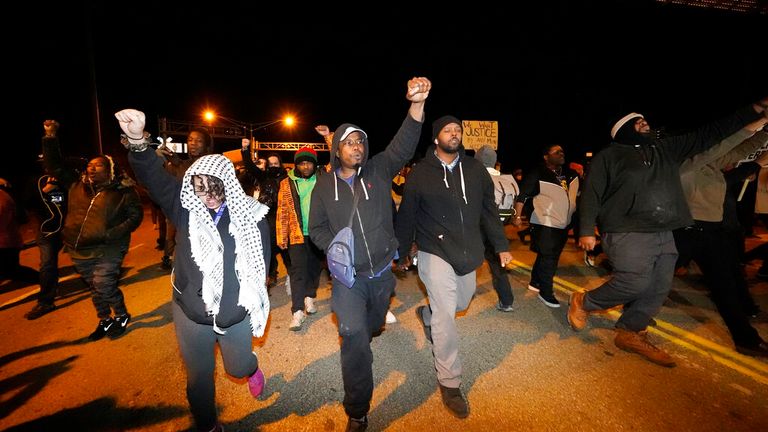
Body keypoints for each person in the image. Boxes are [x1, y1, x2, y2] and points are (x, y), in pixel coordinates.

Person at [572, 100, 768, 367]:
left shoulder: (665, 150)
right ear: (623, 129)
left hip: (664, 230)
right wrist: (586, 230)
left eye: (645, 120)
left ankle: (630, 331)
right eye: (638, 122)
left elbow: (711, 135)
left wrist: (755, 110)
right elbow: (592, 194)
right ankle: (585, 301)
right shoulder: (610, 156)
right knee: (635, 283)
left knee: (658, 287)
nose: (645, 124)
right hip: (626, 230)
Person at [116, 108, 271, 432]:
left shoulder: (252, 217)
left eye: (214, 186)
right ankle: (207, 424)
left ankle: (251, 369)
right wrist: (136, 141)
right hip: (191, 312)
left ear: (228, 183)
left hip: (233, 315)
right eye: (199, 187)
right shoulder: (184, 209)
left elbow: (259, 272)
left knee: (237, 366)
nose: (208, 195)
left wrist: (242, 306)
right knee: (199, 378)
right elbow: (154, 177)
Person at [308, 77, 431, 432]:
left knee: (372, 324)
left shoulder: (378, 169)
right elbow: (315, 227)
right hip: (348, 279)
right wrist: (334, 247)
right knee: (353, 335)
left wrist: (417, 104)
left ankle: (373, 324)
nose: (357, 146)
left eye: (360, 140)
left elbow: (404, 144)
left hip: (381, 273)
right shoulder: (323, 185)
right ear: (336, 149)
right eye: (349, 142)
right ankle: (357, 409)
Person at [395, 115, 512, 419]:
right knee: (447, 312)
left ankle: (428, 314)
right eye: (448, 130)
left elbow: (489, 211)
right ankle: (450, 380)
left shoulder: (474, 170)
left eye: (458, 130)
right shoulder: (420, 173)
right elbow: (407, 214)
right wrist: (402, 251)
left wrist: (501, 246)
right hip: (434, 249)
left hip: (468, 251)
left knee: (461, 301)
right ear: (436, 138)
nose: (454, 134)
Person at [41, 119, 143, 341]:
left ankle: (122, 315)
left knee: (103, 283)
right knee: (95, 288)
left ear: (110, 169)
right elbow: (55, 166)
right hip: (80, 247)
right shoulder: (77, 185)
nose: (91, 167)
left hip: (110, 245)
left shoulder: (123, 191)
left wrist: (113, 233)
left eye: (98, 165)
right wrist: (50, 136)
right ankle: (105, 319)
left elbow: (136, 217)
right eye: (90, 164)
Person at [675, 119, 768, 357]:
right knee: (652, 277)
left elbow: (739, 151)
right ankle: (629, 311)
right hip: (687, 232)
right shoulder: (688, 164)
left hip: (713, 234)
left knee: (725, 287)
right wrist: (761, 119)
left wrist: (765, 135)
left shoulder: (713, 167)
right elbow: (727, 146)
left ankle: (745, 339)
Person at [512, 144, 579, 307]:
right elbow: (522, 196)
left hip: (564, 224)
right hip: (544, 223)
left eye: (562, 151)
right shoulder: (538, 173)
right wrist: (517, 215)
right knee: (550, 258)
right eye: (556, 152)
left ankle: (535, 282)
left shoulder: (571, 174)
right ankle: (546, 292)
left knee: (547, 255)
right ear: (546, 156)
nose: (561, 153)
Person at [276, 146, 324, 331]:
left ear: (314, 164)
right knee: (298, 271)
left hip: (318, 233)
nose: (305, 166)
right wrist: (282, 236)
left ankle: (309, 298)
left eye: (309, 162)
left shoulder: (322, 179)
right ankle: (297, 311)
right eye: (302, 163)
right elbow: (282, 210)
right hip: (296, 234)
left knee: (315, 268)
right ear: (296, 165)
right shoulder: (286, 183)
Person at [158, 127, 216, 270]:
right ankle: (168, 258)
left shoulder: (213, 165)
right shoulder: (181, 165)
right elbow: (160, 185)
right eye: (190, 140)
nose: (193, 143)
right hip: (182, 220)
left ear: (207, 146)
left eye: (198, 141)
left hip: (206, 223)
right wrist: (158, 162)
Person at [474, 145, 517, 311]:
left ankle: (460, 296)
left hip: (477, 227)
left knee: (469, 262)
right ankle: (507, 301)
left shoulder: (476, 178)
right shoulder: (505, 179)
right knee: (498, 265)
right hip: (497, 228)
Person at [24, 162, 67, 320]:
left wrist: (52, 191)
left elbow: (61, 201)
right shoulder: (31, 181)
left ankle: (103, 284)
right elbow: (27, 204)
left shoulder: (55, 179)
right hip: (45, 230)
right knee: (48, 263)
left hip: (63, 227)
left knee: (53, 263)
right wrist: (43, 192)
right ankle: (46, 301)